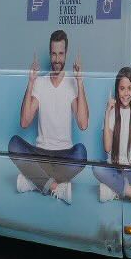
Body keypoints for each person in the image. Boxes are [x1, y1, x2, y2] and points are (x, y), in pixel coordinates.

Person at [8, 30, 89, 203]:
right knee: (14, 143)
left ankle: (33, 181)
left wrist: (80, 83)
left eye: (61, 54)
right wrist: (30, 83)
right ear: (49, 54)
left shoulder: (72, 83)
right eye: (54, 54)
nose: (57, 59)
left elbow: (83, 123)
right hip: (41, 154)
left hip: (64, 157)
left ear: (66, 54)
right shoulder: (40, 83)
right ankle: (55, 187)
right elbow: (24, 122)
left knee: (81, 153)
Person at [94, 66, 131, 203]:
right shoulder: (112, 114)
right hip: (114, 170)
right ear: (117, 90)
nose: (126, 93)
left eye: (129, 88)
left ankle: (113, 191)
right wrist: (107, 113)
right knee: (97, 168)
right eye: (122, 88)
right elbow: (107, 148)